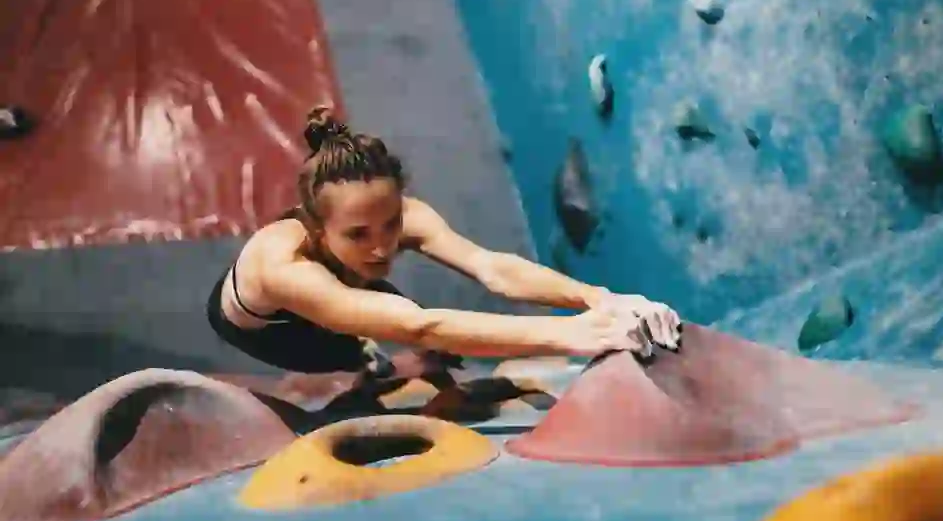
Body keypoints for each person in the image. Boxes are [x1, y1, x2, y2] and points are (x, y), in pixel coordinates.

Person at [206, 105, 682, 382]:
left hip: (349, 287)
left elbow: (492, 269)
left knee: (419, 336)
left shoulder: (406, 217)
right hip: (274, 331)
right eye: (358, 234)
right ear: (316, 228)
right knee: (370, 348)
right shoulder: (284, 264)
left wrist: (598, 298)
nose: (382, 247)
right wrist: (575, 334)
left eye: (391, 224)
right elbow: (419, 326)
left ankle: (387, 357)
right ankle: (377, 363)